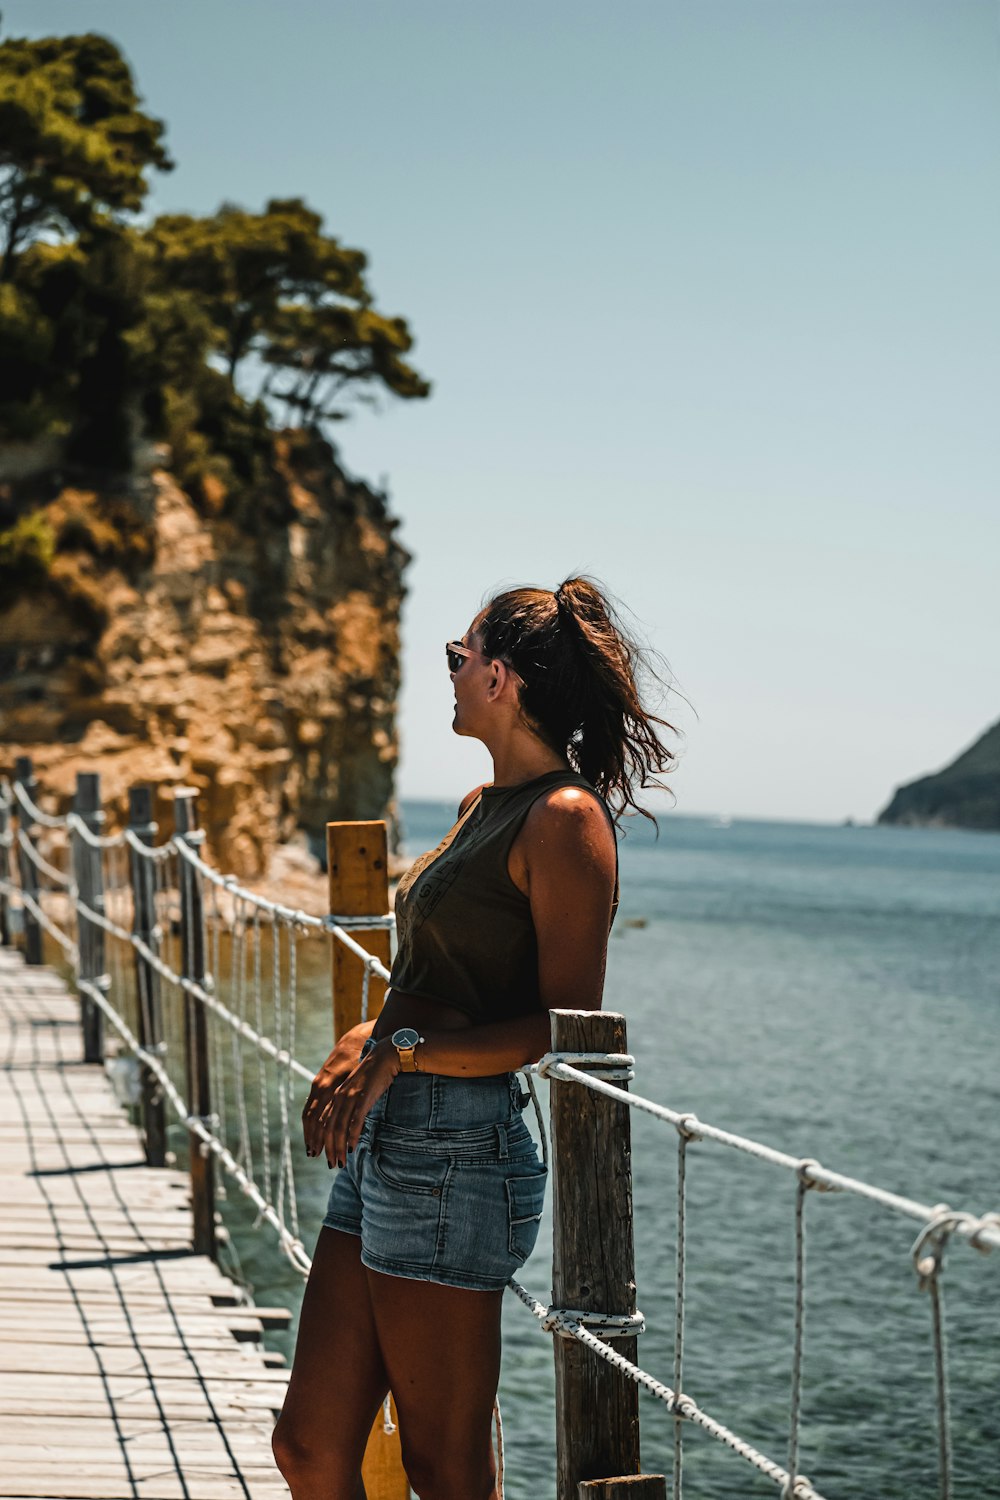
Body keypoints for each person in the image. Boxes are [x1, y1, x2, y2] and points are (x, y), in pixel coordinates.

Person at [272, 577, 676, 1500]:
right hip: (389, 1138)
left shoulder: (565, 820)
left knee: (444, 1466)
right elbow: (431, 981)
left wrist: (400, 1054)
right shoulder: (475, 804)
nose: (447, 675)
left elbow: (563, 1027)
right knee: (308, 1442)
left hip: (459, 1152)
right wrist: (365, 1030)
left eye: (457, 658)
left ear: (500, 676)